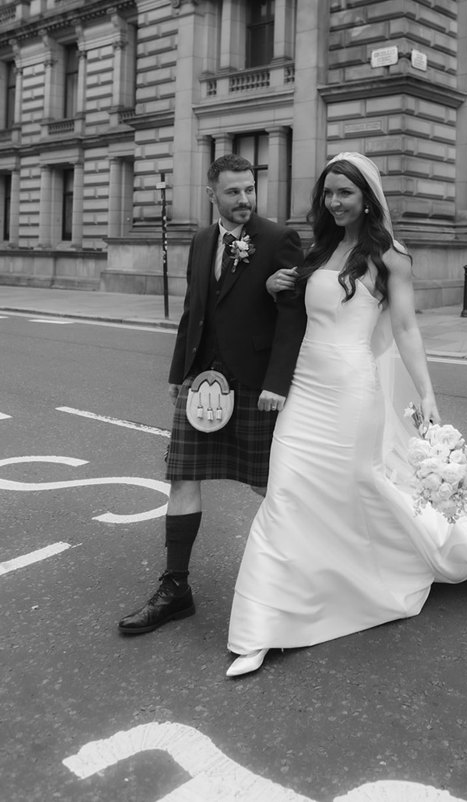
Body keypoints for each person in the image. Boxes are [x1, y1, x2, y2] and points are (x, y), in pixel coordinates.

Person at [225, 152, 467, 676]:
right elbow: (300, 312)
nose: (334, 201)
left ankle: (370, 576)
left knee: (354, 489)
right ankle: (262, 625)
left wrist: (426, 395)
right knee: (287, 493)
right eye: (329, 192)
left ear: (367, 197)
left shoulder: (389, 256)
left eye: (345, 192)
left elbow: (405, 329)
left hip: (351, 391)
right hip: (303, 391)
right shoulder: (318, 249)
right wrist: (278, 288)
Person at [118, 154, 306, 635]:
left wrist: (277, 384)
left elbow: (293, 317)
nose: (244, 199)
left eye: (249, 189)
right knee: (181, 477)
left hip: (254, 383)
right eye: (233, 192)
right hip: (202, 381)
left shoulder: (279, 239)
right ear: (211, 195)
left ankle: (293, 580)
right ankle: (175, 586)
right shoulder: (201, 241)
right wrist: (178, 370)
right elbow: (192, 311)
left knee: (268, 485)